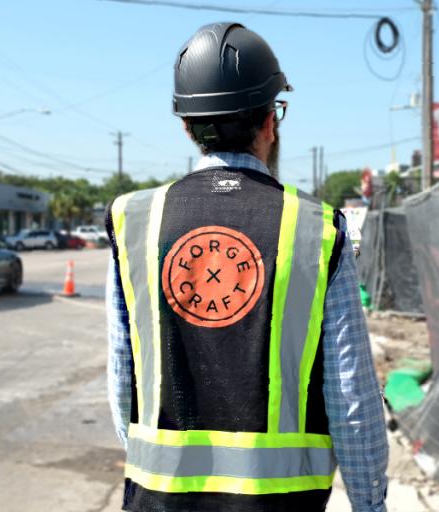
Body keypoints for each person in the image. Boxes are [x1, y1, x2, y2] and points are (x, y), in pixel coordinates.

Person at [105, 22, 388, 512]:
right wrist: (371, 505)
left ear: (186, 125)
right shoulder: (318, 228)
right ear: (270, 123)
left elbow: (122, 379)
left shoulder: (134, 220)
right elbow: (352, 399)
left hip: (157, 499)